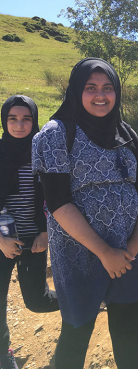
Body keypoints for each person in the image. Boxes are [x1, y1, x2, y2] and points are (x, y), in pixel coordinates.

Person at [32, 58, 138, 369]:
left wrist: (130, 249)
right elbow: (58, 202)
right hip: (80, 254)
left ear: (116, 92)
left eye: (107, 88)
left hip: (131, 252)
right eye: (91, 88)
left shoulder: (127, 132)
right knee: (76, 335)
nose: (100, 95)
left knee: (128, 333)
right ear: (77, 91)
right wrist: (104, 252)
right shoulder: (56, 134)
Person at [0, 96, 59, 369]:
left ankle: (86, 301)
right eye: (13, 118)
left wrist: (46, 232)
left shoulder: (43, 152)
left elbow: (56, 196)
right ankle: (4, 356)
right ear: (4, 120)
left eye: (26, 119)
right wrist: (1, 240)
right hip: (2, 242)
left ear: (35, 120)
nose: (20, 125)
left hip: (36, 238)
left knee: (37, 301)